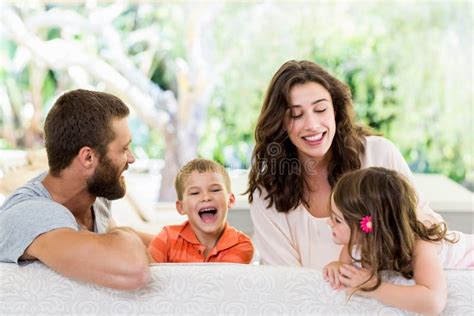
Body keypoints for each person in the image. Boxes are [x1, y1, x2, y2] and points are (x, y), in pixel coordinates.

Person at [247, 60, 443, 270]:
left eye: (321, 109)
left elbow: (426, 227)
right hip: (313, 302)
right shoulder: (267, 193)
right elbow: (287, 284)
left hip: (389, 297)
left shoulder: (378, 154)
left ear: (335, 111)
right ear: (280, 123)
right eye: (296, 115)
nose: (312, 125)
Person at [0, 89, 153, 290]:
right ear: (88, 157)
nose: (131, 158)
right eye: (124, 149)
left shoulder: (93, 195)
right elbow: (134, 270)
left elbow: (117, 237)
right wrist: (122, 233)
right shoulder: (32, 216)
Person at [322, 167, 473, 314]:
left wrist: (373, 286)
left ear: (368, 227)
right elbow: (346, 270)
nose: (329, 222)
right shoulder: (354, 244)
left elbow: (434, 301)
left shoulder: (421, 245)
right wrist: (335, 267)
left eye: (337, 219)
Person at [148, 159, 254, 263]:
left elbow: (221, 280)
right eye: (195, 193)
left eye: (215, 190)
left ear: (230, 200)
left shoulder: (241, 244)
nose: (206, 197)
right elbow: (152, 278)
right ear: (181, 207)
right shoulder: (166, 239)